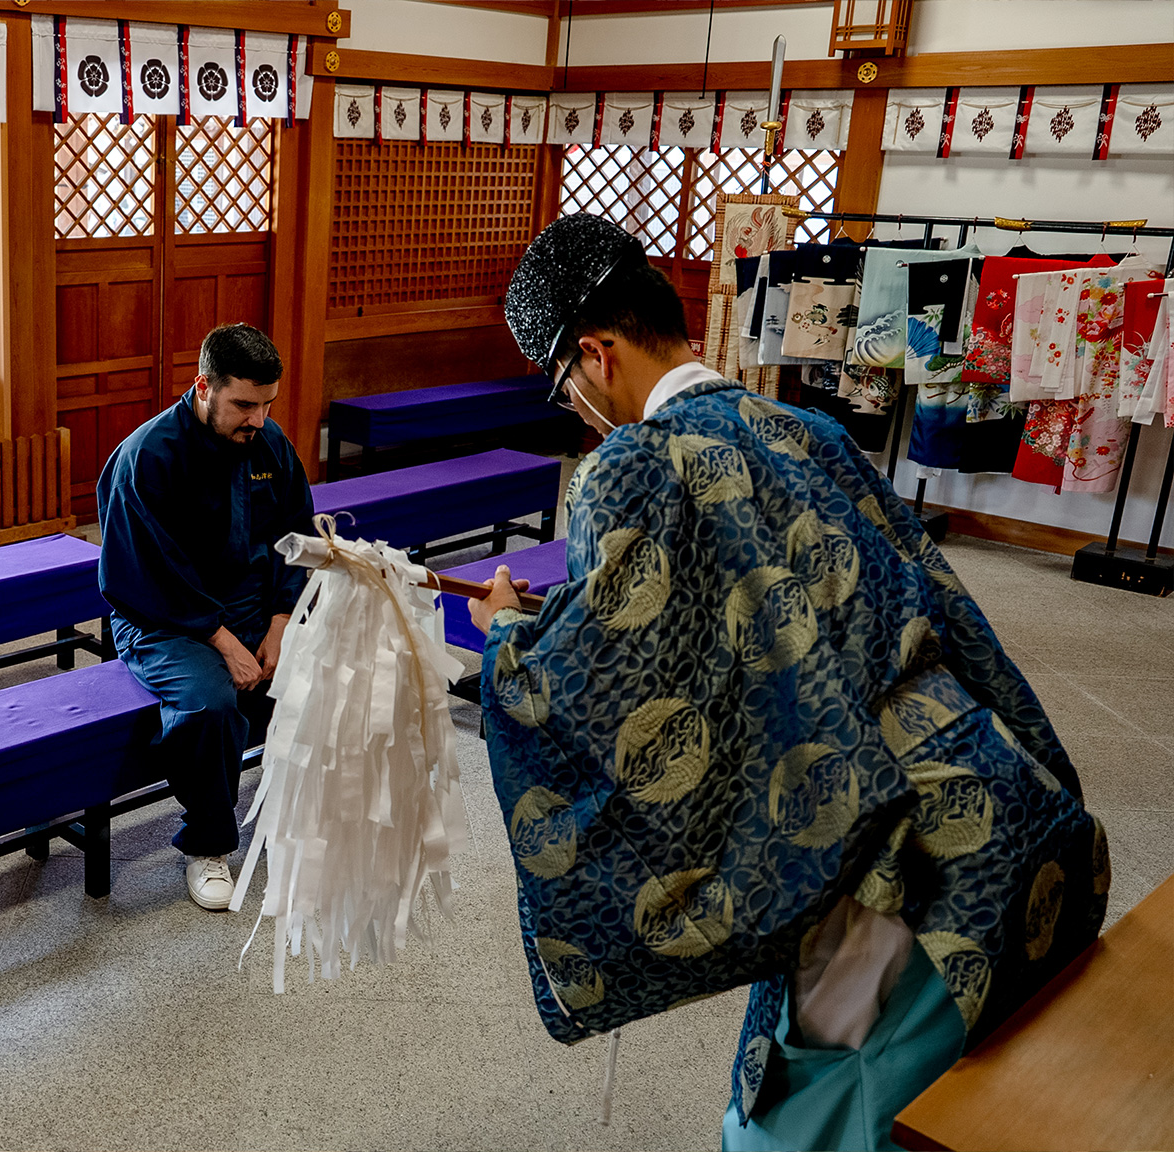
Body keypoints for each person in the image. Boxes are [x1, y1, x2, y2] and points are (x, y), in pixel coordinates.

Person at [468, 214, 1107, 1150]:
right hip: (1004, 787)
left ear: (597, 354)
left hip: (894, 862)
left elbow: (609, 694)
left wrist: (507, 639)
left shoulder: (629, 464)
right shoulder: (810, 429)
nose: (576, 409)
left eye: (566, 385)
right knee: (934, 1098)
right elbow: (924, 600)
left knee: (795, 1122)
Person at [97, 323, 316, 911]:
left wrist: (281, 623)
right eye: (244, 405)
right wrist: (224, 641)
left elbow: (296, 537)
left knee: (333, 671)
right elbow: (144, 574)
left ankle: (303, 813)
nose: (258, 419)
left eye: (267, 404)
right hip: (162, 618)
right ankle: (208, 844)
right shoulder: (149, 457)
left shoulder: (268, 443)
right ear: (203, 387)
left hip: (254, 608)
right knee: (209, 704)